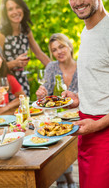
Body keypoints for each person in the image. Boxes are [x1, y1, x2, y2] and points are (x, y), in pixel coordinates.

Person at [62, 0, 109, 188]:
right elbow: (105, 82)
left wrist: (98, 126)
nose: (78, 2)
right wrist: (80, 98)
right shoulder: (86, 30)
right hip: (86, 130)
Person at [36, 33, 77, 188]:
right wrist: (42, 94)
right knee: (56, 142)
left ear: (70, 46)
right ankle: (64, 178)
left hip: (79, 114)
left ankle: (68, 179)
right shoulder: (52, 67)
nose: (58, 51)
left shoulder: (82, 66)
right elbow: (44, 93)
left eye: (61, 46)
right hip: (58, 115)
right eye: (54, 50)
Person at [0, 0, 50, 96]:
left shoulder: (26, 31)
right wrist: (15, 63)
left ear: (23, 8)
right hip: (6, 84)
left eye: (17, 7)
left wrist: (57, 70)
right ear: (5, 13)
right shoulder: (0, 35)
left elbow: (39, 54)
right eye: (10, 9)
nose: (15, 12)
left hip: (22, 81)